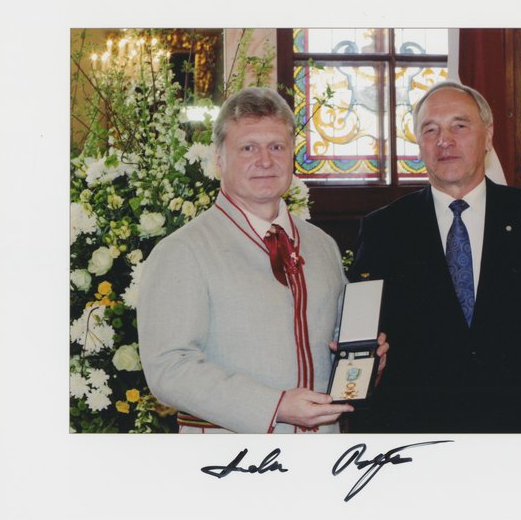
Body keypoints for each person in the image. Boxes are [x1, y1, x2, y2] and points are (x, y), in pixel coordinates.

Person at [348, 81, 521, 433]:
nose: (444, 140)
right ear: (419, 143)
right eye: (430, 130)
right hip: (419, 433)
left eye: (459, 125)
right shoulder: (384, 229)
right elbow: (366, 343)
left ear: (488, 136)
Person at [138, 87, 386, 434]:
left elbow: (334, 343)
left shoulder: (321, 245)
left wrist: (364, 357)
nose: (265, 161)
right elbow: (169, 368)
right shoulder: (183, 251)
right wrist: (275, 406)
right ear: (219, 159)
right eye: (248, 148)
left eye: (277, 147)